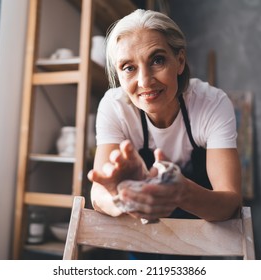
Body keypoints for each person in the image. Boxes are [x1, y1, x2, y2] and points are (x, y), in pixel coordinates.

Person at [87, 9, 241, 242]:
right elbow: (98, 193)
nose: (145, 81)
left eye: (157, 60)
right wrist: (122, 197)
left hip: (205, 236)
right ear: (118, 74)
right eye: (129, 68)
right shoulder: (114, 107)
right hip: (141, 234)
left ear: (179, 61)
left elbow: (229, 203)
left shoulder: (212, 104)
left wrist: (182, 193)